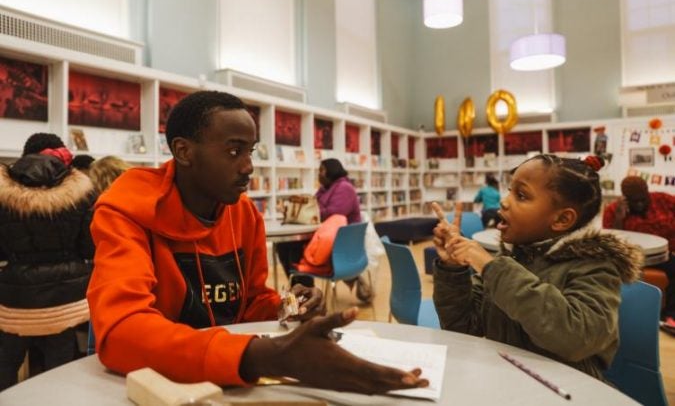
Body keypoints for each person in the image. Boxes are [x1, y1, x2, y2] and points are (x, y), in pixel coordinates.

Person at [86, 91, 427, 393]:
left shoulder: (244, 213)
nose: (249, 166)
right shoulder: (126, 213)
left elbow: (249, 302)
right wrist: (270, 357)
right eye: (234, 151)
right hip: (154, 389)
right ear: (184, 151)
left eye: (250, 151)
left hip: (232, 383)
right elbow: (120, 333)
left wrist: (289, 305)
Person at [431, 154, 642, 380]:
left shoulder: (595, 266)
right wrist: (453, 270)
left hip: (569, 389)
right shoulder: (510, 258)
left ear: (562, 220)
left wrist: (491, 267)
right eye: (510, 189)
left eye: (521, 195)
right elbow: (463, 327)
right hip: (510, 380)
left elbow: (576, 338)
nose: (504, 201)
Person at [0, 133, 96, 390]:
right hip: (64, 299)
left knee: (5, 366)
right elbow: (89, 246)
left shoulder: (3, 190)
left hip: (14, 298)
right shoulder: (81, 190)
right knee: (60, 371)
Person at [277, 159, 371, 301]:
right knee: (284, 244)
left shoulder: (345, 188)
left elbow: (334, 214)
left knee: (294, 247)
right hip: (328, 239)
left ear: (331, 171)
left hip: (341, 247)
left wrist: (307, 210)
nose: (319, 174)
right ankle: (300, 290)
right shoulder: (325, 189)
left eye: (321, 170)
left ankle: (306, 296)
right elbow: (315, 209)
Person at [603, 176, 675, 323]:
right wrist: (619, 218)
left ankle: (669, 314)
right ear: (625, 199)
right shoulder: (613, 210)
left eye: (643, 199)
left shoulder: (663, 200)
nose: (640, 204)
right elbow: (611, 241)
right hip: (631, 257)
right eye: (634, 201)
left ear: (648, 193)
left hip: (663, 255)